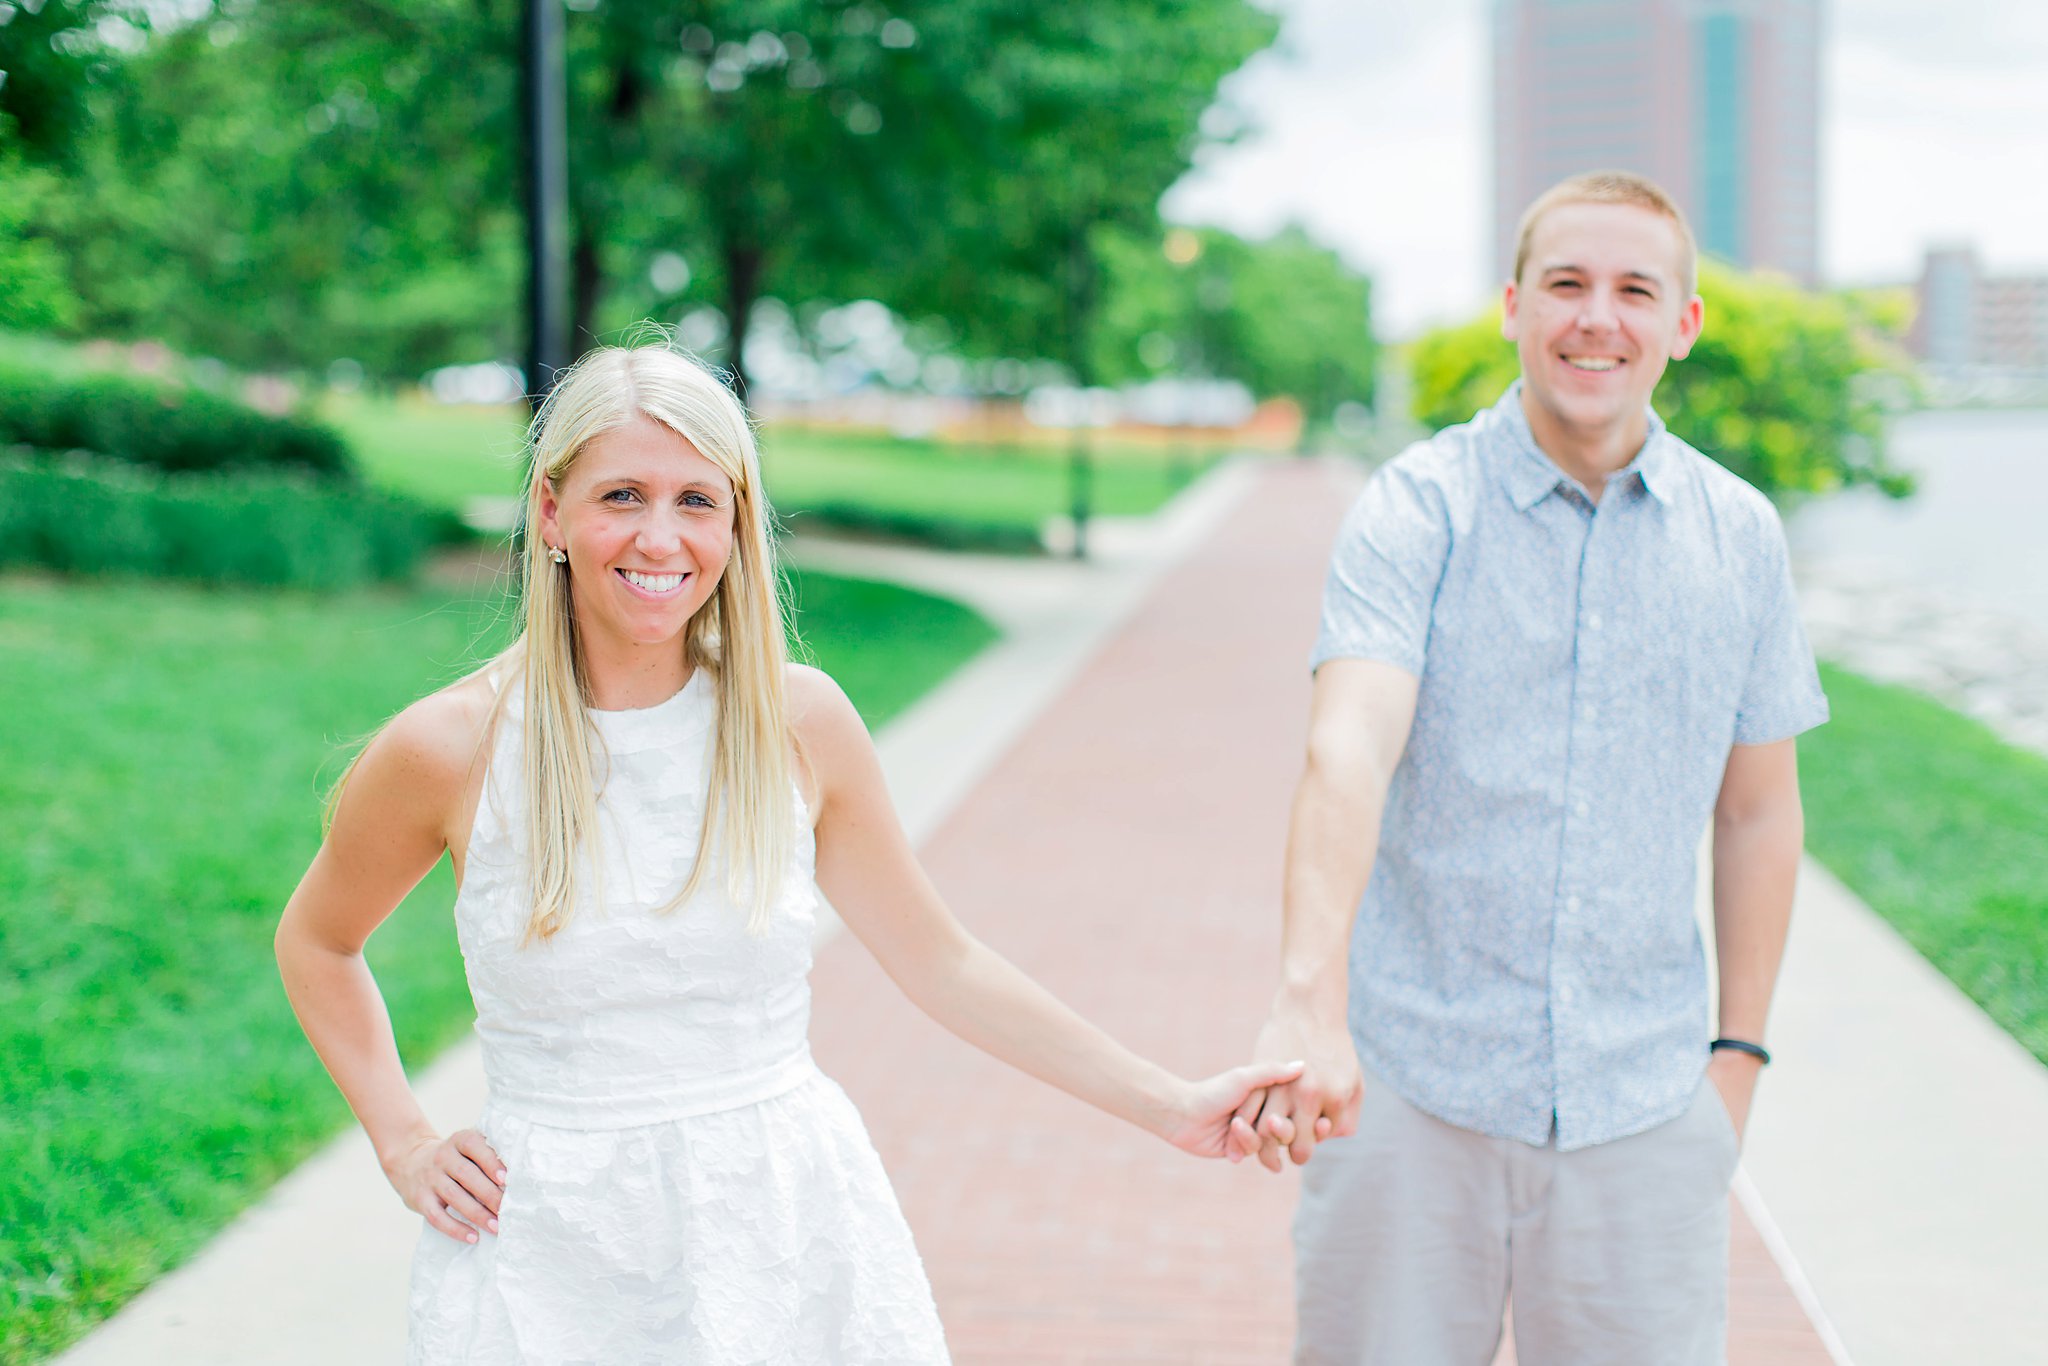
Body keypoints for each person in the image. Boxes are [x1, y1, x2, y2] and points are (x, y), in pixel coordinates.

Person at [274, 341, 1298, 1364]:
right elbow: (317, 942)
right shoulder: (449, 747)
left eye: (696, 501)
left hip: (783, 1234)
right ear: (550, 512)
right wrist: (403, 1138)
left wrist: (1167, 1103)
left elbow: (942, 963)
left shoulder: (794, 723)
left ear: (735, 520)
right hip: (552, 1256)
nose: (659, 536)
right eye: (620, 494)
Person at [1231, 170, 1829, 1363]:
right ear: (1512, 307)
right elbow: (1345, 742)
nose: (1594, 318)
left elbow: (1758, 813)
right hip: (1406, 1094)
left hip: (1643, 1107)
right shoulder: (1415, 509)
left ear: (1681, 324)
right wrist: (1308, 1000)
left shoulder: (1738, 538)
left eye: (1631, 290)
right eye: (1564, 284)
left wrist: (1737, 1063)